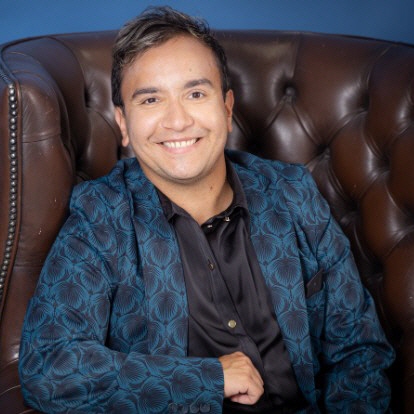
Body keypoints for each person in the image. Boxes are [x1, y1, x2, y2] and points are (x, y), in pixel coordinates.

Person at [19, 6, 395, 414]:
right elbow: (49, 367)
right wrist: (208, 378)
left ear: (227, 108)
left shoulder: (293, 193)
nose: (177, 121)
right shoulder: (101, 218)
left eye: (195, 94)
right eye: (151, 99)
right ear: (124, 124)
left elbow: (360, 351)